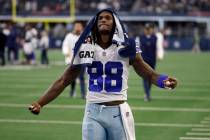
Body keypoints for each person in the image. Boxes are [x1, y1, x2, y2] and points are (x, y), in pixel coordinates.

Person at [29, 9, 177, 140]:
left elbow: (149, 73)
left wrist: (164, 81)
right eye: (100, 18)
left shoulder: (126, 46)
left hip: (118, 112)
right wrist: (40, 103)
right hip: (92, 111)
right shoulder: (86, 46)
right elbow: (64, 80)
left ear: (115, 23)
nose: (103, 20)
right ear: (95, 23)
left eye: (108, 17)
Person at [62, 21, 86, 99]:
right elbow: (65, 45)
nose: (78, 28)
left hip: (82, 60)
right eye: (76, 26)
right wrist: (66, 53)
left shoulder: (85, 36)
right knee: (72, 78)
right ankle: (72, 92)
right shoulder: (69, 36)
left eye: (79, 26)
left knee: (81, 77)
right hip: (71, 60)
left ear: (82, 27)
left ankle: (83, 94)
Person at [139, 23, 159, 101]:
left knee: (151, 78)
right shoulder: (142, 37)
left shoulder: (154, 37)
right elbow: (145, 43)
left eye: (149, 29)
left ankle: (147, 93)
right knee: (145, 78)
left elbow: (152, 44)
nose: (147, 30)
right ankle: (147, 95)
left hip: (152, 60)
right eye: (146, 29)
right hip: (144, 60)